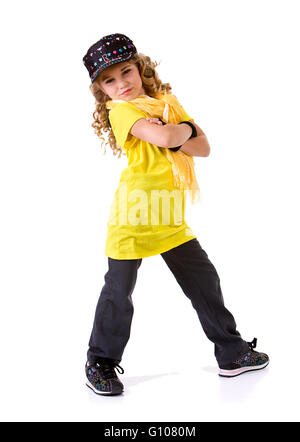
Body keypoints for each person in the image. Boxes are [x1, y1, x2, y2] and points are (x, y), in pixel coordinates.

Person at [82, 33, 269, 396]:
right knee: (118, 292)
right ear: (102, 91)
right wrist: (181, 130)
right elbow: (172, 140)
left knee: (204, 281)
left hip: (168, 215)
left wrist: (176, 130)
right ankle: (99, 362)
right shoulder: (122, 111)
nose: (121, 84)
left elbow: (203, 148)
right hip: (133, 216)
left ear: (140, 69)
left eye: (126, 72)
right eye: (110, 80)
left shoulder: (164, 104)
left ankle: (232, 353)